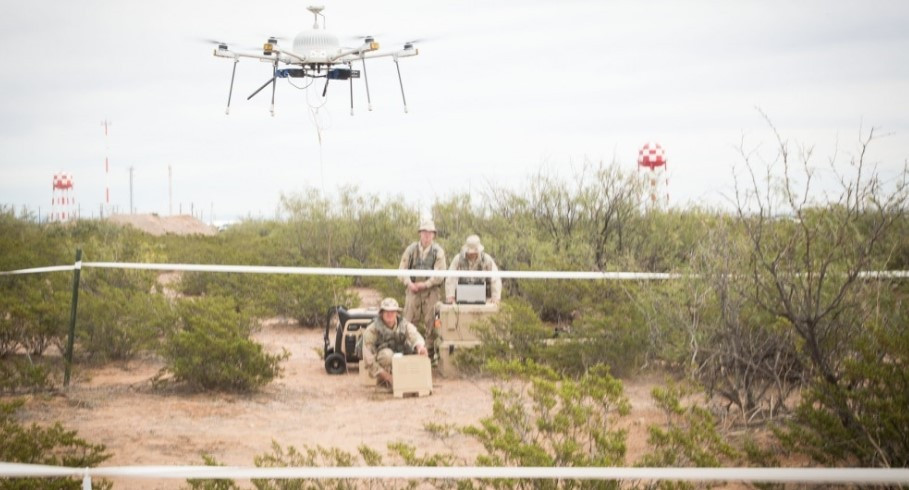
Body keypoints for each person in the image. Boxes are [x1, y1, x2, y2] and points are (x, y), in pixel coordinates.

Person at [398, 219, 447, 351]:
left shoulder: (438, 252)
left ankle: (432, 351)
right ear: (420, 233)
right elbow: (401, 270)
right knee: (407, 322)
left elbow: (440, 274)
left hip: (431, 292)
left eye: (430, 233)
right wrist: (409, 284)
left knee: (434, 322)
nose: (427, 235)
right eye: (424, 232)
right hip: (412, 290)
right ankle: (409, 349)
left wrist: (425, 284)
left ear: (434, 235)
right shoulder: (411, 249)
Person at [361, 297, 428, 388]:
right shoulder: (372, 329)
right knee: (387, 355)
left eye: (392, 311)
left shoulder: (404, 324)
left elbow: (414, 335)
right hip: (382, 359)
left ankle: (411, 380)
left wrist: (420, 348)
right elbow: (368, 358)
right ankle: (384, 383)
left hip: (401, 354)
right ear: (381, 313)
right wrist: (388, 377)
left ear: (397, 313)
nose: (390, 314)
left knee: (415, 351)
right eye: (387, 312)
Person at [445, 234, 502, 304]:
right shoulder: (458, 259)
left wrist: (495, 296)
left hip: (484, 296)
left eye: (474, 252)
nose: (472, 254)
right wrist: (450, 295)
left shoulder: (487, 259)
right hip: (461, 296)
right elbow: (450, 277)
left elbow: (495, 278)